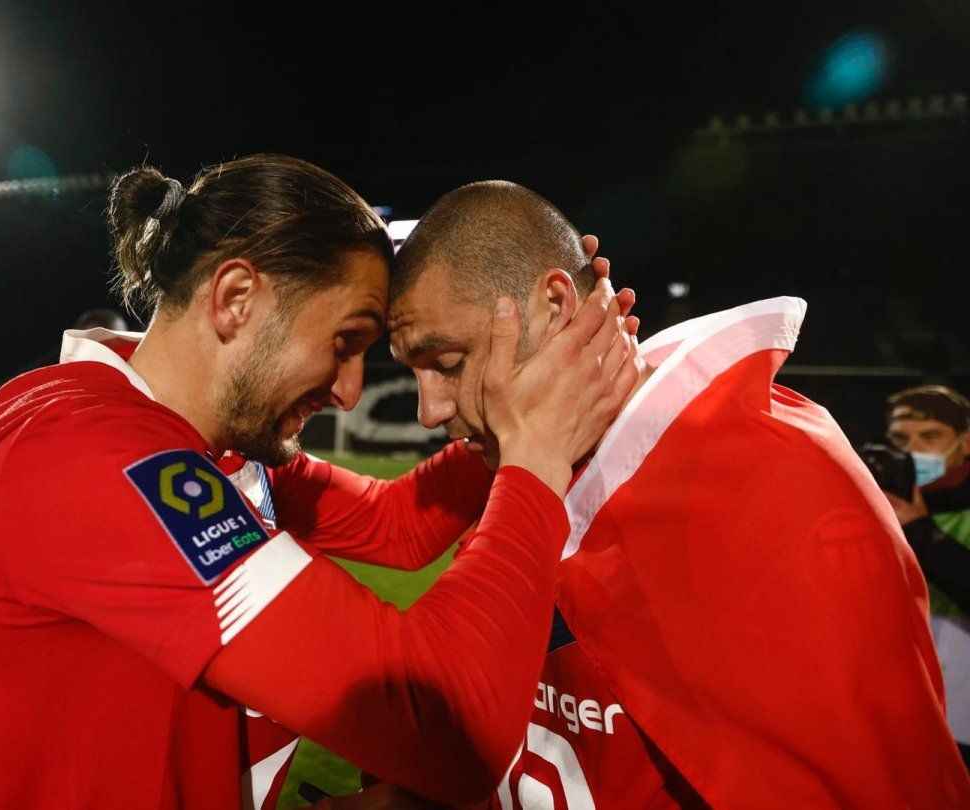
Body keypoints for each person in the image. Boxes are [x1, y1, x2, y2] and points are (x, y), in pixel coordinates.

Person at [0, 155, 641, 810]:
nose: (348, 391)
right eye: (345, 341)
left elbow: (397, 525)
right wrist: (535, 450)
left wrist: (542, 381)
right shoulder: (99, 462)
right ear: (235, 299)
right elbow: (444, 719)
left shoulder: (195, 444)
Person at [376, 180, 969, 808]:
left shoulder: (769, 490)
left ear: (555, 304)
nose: (429, 410)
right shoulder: (526, 467)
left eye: (448, 362)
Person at [881, 384, 970, 766]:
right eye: (901, 439)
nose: (914, 449)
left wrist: (920, 531)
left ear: (965, 443)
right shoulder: (876, 503)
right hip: (900, 710)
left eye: (930, 436)